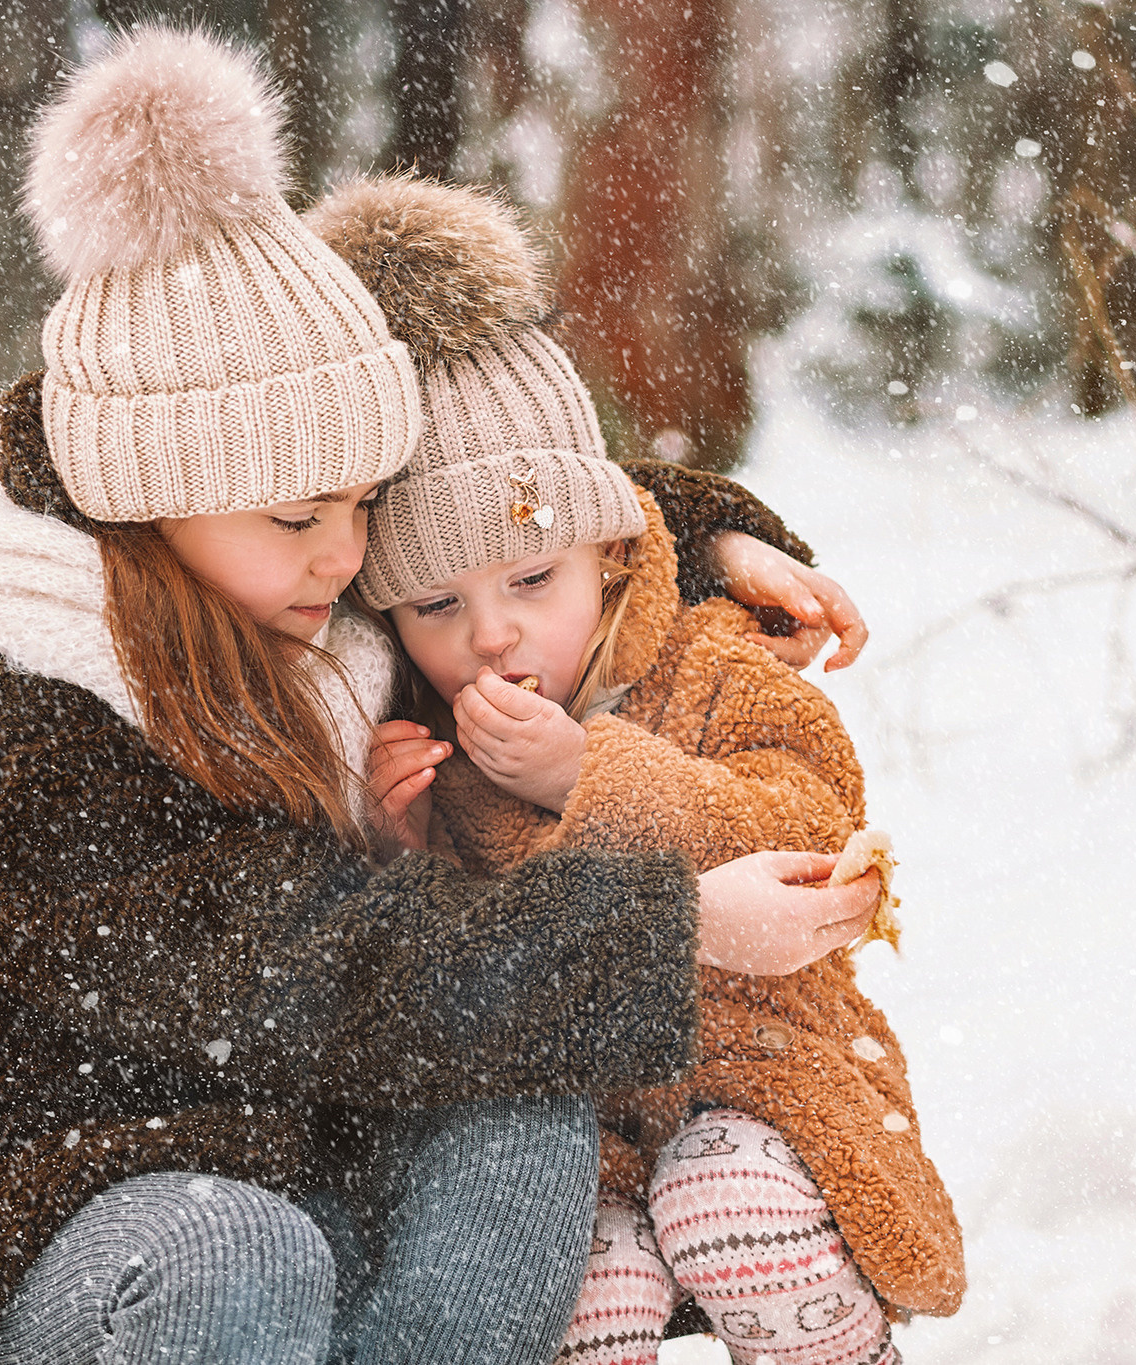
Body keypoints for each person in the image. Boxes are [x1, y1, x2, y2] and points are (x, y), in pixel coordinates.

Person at [0, 28, 878, 1365]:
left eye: (363, 504)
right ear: (147, 494)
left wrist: (699, 537)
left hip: (286, 1131)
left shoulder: (260, 564)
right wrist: (678, 927)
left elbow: (503, 506)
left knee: (525, 1117)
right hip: (45, 1188)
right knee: (238, 1254)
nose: (350, 556)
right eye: (306, 516)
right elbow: (294, 972)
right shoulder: (37, 710)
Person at [315, 176, 966, 1365]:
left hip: (763, 1080)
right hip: (585, 1126)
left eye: (531, 581)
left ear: (612, 556)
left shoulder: (707, 661)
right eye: (435, 605)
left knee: (731, 1209)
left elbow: (812, 822)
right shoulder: (425, 747)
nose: (492, 634)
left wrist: (590, 778)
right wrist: (398, 841)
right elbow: (436, 977)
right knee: (583, 1287)